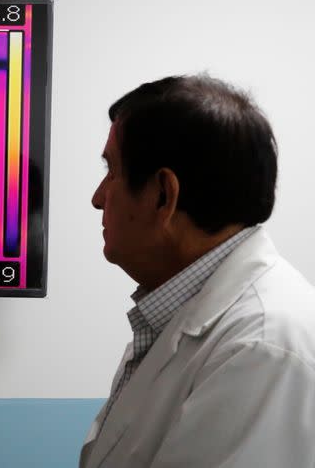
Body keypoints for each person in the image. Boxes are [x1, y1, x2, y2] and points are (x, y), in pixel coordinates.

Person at [80, 75, 315, 467]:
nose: (98, 198)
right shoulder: (177, 315)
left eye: (112, 172)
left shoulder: (261, 346)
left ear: (163, 195)